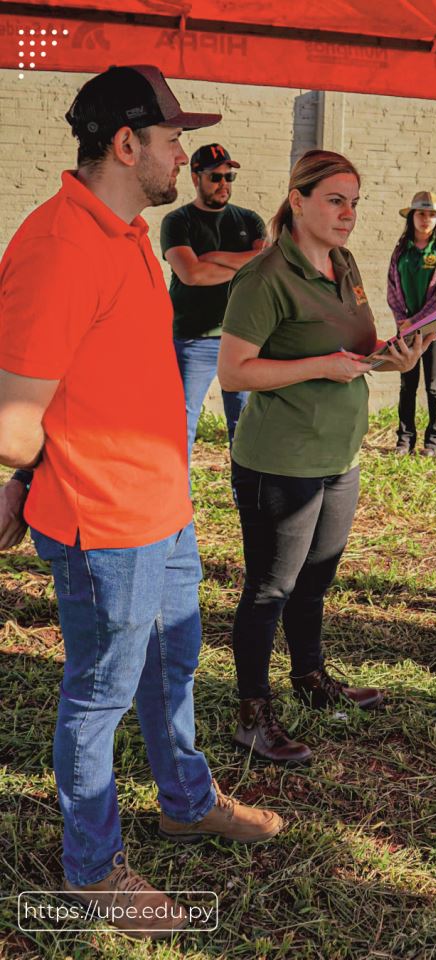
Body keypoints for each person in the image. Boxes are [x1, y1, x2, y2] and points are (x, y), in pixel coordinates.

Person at [0, 65, 283, 940]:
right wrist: (17, 482)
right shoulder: (56, 247)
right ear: (127, 144)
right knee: (98, 695)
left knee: (173, 665)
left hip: (160, 504)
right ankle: (92, 873)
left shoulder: (120, 228)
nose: (184, 156)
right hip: (103, 520)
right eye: (172, 140)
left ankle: (185, 801)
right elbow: (14, 420)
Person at [217, 149, 432, 763]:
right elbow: (234, 373)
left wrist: (396, 356)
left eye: (355, 202)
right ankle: (252, 714)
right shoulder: (264, 277)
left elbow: (357, 346)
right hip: (280, 460)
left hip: (340, 453)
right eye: (335, 200)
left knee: (316, 579)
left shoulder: (342, 262)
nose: (348, 215)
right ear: (298, 199)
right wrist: (321, 366)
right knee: (269, 588)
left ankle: (310, 680)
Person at [160, 143, 267, 462]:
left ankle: (246, 503)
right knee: (182, 427)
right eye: (215, 177)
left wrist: (215, 257)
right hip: (193, 339)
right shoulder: (177, 221)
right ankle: (179, 506)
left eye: (229, 177)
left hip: (241, 339)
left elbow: (266, 263)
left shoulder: (250, 219)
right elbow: (191, 273)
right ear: (195, 178)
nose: (224, 184)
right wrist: (243, 263)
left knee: (245, 428)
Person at [387, 191, 436, 455]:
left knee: (434, 386)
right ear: (412, 217)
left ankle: (434, 441)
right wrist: (402, 321)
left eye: (431, 215)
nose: (426, 219)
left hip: (435, 330)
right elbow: (392, 287)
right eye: (421, 213)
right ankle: (405, 439)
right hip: (404, 329)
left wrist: (415, 322)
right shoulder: (401, 249)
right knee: (407, 384)